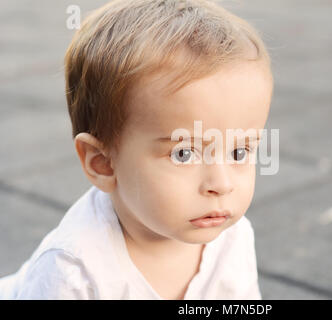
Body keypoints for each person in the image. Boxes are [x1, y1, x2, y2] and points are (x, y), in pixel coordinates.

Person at [0, 0, 273, 299]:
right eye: (184, 153)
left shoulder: (233, 238)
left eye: (240, 152)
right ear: (102, 163)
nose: (222, 184)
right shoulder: (73, 272)